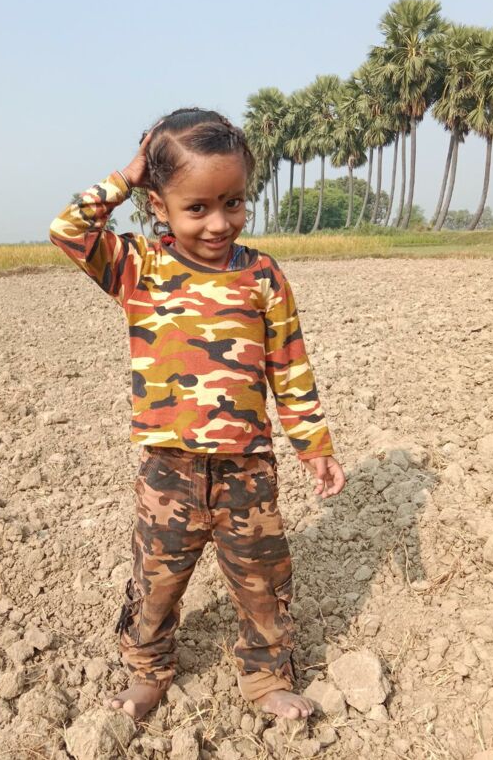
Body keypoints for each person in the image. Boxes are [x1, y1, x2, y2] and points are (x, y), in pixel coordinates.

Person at [49, 108, 346, 722]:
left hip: (246, 472)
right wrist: (128, 174)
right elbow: (69, 228)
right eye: (198, 207)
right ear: (159, 205)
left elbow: (290, 366)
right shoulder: (139, 268)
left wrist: (314, 445)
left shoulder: (262, 276)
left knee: (263, 583)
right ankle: (147, 671)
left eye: (233, 203)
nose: (219, 222)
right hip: (169, 470)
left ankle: (266, 678)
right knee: (154, 583)